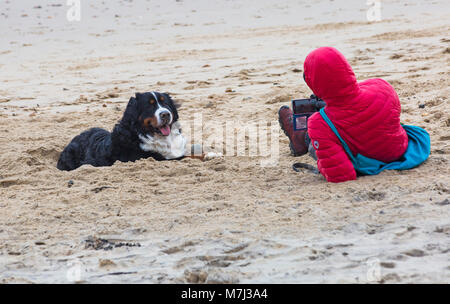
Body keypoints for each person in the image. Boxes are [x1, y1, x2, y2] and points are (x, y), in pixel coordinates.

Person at [279, 47, 429, 183]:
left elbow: (341, 175)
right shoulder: (383, 87)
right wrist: (334, 103)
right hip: (399, 150)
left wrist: (326, 114)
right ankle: (300, 138)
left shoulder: (319, 123)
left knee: (315, 139)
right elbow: (356, 94)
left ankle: (300, 138)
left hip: (366, 160)